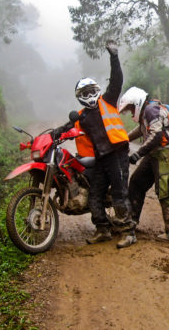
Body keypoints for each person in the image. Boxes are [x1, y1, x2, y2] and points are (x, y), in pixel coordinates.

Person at [54, 40, 137, 248]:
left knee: (119, 194)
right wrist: (51, 136)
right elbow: (65, 128)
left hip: (117, 153)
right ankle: (103, 229)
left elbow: (117, 80)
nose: (89, 95)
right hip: (100, 158)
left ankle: (128, 232)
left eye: (91, 90)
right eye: (84, 93)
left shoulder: (108, 100)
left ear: (97, 90)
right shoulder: (81, 116)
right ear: (79, 98)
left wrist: (114, 56)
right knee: (95, 195)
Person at [118, 87, 169, 242]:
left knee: (165, 191)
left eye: (131, 108)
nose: (131, 112)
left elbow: (156, 134)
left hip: (164, 154)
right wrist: (124, 139)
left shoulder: (150, 110)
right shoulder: (146, 113)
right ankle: (131, 222)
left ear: (137, 103)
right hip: (154, 154)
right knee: (136, 183)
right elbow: (141, 130)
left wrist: (137, 153)